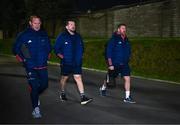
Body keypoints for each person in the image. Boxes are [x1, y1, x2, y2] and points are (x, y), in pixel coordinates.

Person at [13, 15, 52, 118]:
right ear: (30, 23)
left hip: (42, 65)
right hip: (30, 66)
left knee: (44, 85)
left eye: (39, 23)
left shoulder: (43, 34)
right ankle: (36, 109)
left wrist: (47, 55)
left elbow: (48, 47)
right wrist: (23, 60)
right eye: (35, 23)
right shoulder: (23, 35)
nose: (37, 25)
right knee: (34, 86)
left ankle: (34, 94)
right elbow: (15, 49)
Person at [54, 20, 92, 105]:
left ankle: (83, 97)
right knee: (64, 78)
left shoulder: (78, 36)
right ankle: (62, 92)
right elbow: (56, 48)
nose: (73, 26)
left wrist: (80, 56)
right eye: (71, 24)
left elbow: (82, 47)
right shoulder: (62, 36)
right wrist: (63, 57)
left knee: (78, 77)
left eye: (74, 24)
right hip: (66, 62)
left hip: (77, 62)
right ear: (67, 27)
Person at [99, 23, 136, 103]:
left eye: (125, 28)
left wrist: (128, 58)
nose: (124, 30)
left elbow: (128, 51)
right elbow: (108, 52)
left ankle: (127, 97)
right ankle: (103, 88)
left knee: (127, 78)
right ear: (118, 29)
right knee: (109, 79)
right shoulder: (113, 39)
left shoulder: (126, 40)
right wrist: (110, 64)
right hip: (115, 64)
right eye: (122, 28)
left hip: (124, 64)